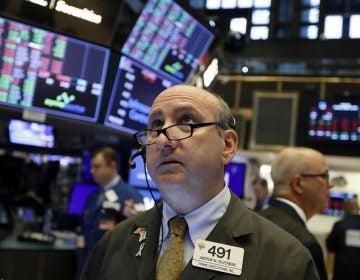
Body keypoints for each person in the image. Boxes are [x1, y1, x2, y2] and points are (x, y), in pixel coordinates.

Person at [80, 85, 319, 279]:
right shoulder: (113, 243)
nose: (164, 139)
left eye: (187, 122)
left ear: (227, 145)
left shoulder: (286, 260)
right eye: (155, 125)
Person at [260, 147, 332, 280]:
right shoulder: (305, 244)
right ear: (298, 183)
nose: (330, 185)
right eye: (325, 176)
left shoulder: (253, 223)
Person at [76, 146, 144, 277]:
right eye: (91, 167)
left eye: (97, 167)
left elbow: (141, 235)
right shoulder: (93, 196)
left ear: (112, 166)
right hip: (85, 263)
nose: (92, 171)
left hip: (109, 266)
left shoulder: (131, 196)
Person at [326, 197, 360, 280]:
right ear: (358, 208)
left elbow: (330, 246)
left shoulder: (340, 225)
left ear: (346, 208)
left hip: (342, 273)